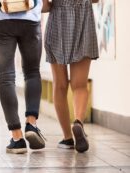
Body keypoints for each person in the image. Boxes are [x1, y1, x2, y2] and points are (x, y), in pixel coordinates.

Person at [0, 0, 48, 154]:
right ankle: (31, 123)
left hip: (1, 21)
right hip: (30, 19)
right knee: (32, 72)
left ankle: (17, 138)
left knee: (6, 78)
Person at [43, 0, 99, 153]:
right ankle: (78, 122)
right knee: (80, 85)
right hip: (83, 20)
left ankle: (67, 137)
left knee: (60, 85)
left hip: (57, 23)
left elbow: (43, 5)